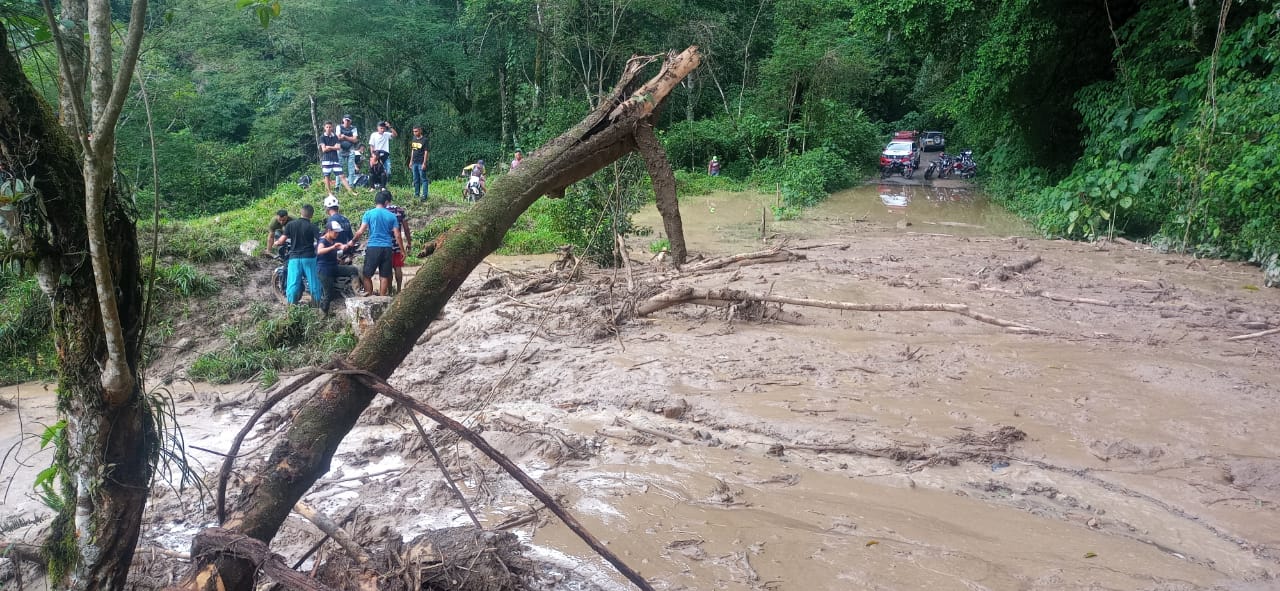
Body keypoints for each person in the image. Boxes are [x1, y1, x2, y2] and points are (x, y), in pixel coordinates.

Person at [351, 190, 404, 296]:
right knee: (384, 276)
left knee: (366, 275)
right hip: (387, 248)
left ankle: (369, 296)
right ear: (385, 202)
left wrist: (352, 242)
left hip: (373, 247)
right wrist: (402, 250)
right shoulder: (391, 216)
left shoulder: (369, 214)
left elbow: (360, 231)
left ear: (376, 201)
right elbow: (397, 235)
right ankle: (382, 298)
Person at [274, 204, 322, 306]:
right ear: (311, 215)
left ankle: (292, 308)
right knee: (314, 283)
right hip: (309, 258)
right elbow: (321, 241)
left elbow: (282, 240)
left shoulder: (290, 225)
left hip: (294, 259)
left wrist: (276, 243)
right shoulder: (313, 227)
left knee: (293, 284)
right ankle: (317, 306)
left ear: (301, 212)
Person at [316, 220, 361, 315]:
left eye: (338, 233)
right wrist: (333, 248)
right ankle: (323, 313)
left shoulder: (332, 240)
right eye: (335, 232)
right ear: (329, 230)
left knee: (353, 269)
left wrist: (337, 257)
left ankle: (357, 291)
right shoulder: (322, 240)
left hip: (334, 267)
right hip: (324, 271)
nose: (337, 234)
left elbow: (333, 251)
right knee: (328, 294)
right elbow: (319, 251)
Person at [384, 191, 412, 293]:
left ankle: (390, 290)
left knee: (388, 269)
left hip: (385, 244)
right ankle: (399, 290)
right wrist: (409, 242)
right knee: (398, 267)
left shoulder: (381, 211)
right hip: (397, 243)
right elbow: (406, 228)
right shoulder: (399, 210)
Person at [319, 121, 352, 196]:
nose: (328, 128)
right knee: (327, 176)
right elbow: (324, 149)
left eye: (330, 127)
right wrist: (333, 147)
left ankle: (350, 191)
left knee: (342, 175)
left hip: (335, 159)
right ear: (324, 128)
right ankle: (329, 193)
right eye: (327, 127)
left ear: (332, 128)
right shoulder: (322, 137)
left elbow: (338, 147)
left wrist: (329, 147)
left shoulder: (335, 136)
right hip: (326, 159)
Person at [408, 126, 430, 201]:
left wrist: (424, 163)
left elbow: (426, 152)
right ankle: (416, 194)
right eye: (414, 131)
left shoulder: (425, 140)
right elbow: (413, 151)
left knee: (423, 179)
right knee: (415, 179)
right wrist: (411, 161)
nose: (415, 133)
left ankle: (424, 195)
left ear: (420, 131)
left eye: (416, 131)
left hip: (421, 162)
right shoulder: (414, 139)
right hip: (414, 162)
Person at [338, 115, 359, 182]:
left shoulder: (354, 128)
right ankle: (337, 187)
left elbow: (355, 140)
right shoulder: (339, 127)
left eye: (348, 120)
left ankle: (351, 185)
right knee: (339, 169)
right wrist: (350, 138)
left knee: (351, 169)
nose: (347, 122)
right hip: (340, 149)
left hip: (350, 149)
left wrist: (344, 137)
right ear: (343, 120)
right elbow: (338, 137)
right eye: (346, 120)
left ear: (350, 121)